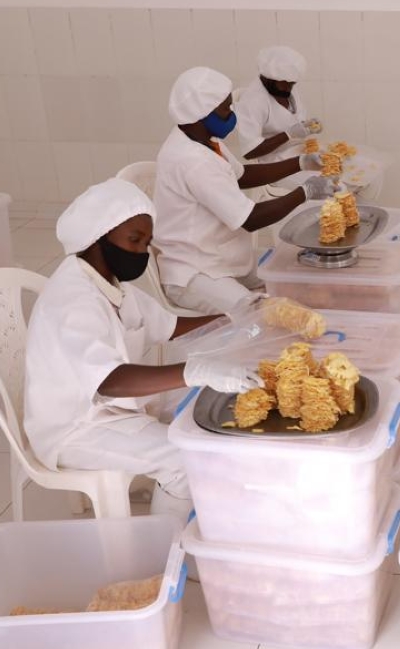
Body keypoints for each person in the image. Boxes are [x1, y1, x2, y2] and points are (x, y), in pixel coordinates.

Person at [24, 179, 262, 520]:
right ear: (97, 237)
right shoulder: (74, 300)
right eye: (133, 241)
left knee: (206, 403)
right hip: (76, 425)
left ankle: (209, 504)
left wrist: (236, 316)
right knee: (183, 460)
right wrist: (194, 371)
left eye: (147, 243)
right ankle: (166, 558)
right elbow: (110, 381)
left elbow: (170, 326)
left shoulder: (110, 282)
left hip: (115, 406)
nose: (141, 253)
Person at [153, 66, 337, 316]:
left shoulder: (205, 141)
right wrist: (305, 192)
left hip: (222, 256)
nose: (231, 113)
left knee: (296, 283)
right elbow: (251, 219)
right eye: (225, 108)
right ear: (201, 114)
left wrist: (300, 163)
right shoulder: (192, 161)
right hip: (194, 272)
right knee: (261, 316)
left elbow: (242, 176)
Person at [232, 46, 322, 163]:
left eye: (292, 83)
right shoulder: (252, 102)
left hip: (300, 153)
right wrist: (288, 134)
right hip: (276, 165)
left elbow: (291, 119)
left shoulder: (285, 86)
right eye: (285, 83)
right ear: (269, 78)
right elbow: (250, 152)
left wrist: (308, 126)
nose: (289, 88)